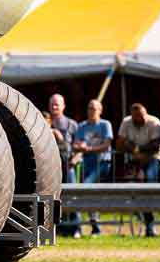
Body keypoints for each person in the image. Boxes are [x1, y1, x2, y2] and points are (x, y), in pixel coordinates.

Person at [117, 103, 160, 237]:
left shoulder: (154, 122)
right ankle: (138, 210)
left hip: (153, 158)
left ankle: (150, 225)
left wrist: (136, 149)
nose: (141, 119)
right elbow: (119, 144)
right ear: (133, 117)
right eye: (137, 117)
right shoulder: (126, 122)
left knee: (148, 182)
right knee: (127, 182)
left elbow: (155, 146)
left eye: (143, 116)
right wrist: (135, 150)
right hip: (135, 158)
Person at [72, 99, 113, 236]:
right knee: (89, 193)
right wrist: (80, 147)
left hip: (102, 163)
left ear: (100, 111)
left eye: (94, 109)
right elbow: (75, 145)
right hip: (87, 164)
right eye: (89, 108)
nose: (91, 111)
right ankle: (94, 226)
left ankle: (93, 225)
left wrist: (88, 148)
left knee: (86, 187)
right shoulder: (82, 126)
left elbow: (106, 145)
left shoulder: (105, 124)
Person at [47, 94, 80, 237]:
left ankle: (76, 228)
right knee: (53, 198)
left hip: (68, 164)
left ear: (63, 106)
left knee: (72, 196)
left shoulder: (72, 124)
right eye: (52, 104)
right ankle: (56, 228)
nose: (54, 107)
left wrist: (76, 159)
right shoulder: (44, 122)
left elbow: (78, 146)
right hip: (51, 168)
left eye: (57, 104)